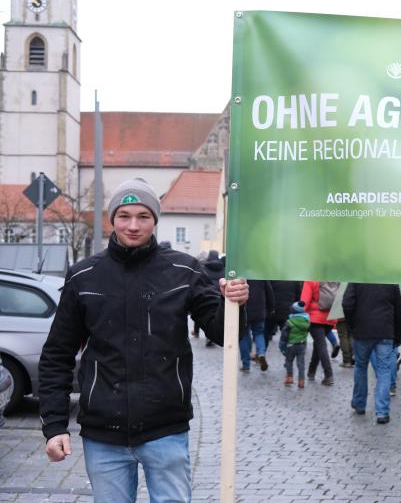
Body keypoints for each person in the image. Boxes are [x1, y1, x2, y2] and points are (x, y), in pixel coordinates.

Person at [38, 177, 249, 503]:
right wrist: (54, 426)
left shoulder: (184, 271)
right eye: (124, 216)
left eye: (143, 216)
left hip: (165, 428)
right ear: (113, 219)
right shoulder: (84, 276)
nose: (133, 225)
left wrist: (232, 304)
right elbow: (57, 354)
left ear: (155, 220)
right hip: (103, 433)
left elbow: (222, 334)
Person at [342, 283, 401, 424]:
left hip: (362, 330)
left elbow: (347, 304)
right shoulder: (390, 281)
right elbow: (399, 310)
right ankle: (382, 412)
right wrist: (397, 334)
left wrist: (353, 325)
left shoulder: (357, 279)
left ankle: (359, 403)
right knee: (384, 370)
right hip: (385, 331)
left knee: (360, 367)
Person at [300, 281, 336, 385]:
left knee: (321, 345)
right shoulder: (334, 278)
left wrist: (300, 315)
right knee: (318, 344)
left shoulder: (311, 280)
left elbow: (304, 302)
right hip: (330, 318)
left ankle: (328, 375)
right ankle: (311, 371)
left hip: (315, 317)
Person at [239, 279, 274, 372]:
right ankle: (261, 353)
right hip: (260, 310)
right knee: (259, 334)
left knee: (243, 336)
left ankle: (246, 364)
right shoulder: (260, 274)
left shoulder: (240, 273)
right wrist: (271, 308)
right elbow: (269, 292)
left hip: (243, 310)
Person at [281, 301, 311, 388]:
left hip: (291, 345)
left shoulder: (290, 321)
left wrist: (283, 343)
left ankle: (290, 377)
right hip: (302, 344)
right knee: (301, 363)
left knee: (289, 361)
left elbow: (284, 334)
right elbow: (308, 330)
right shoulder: (306, 321)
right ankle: (301, 381)